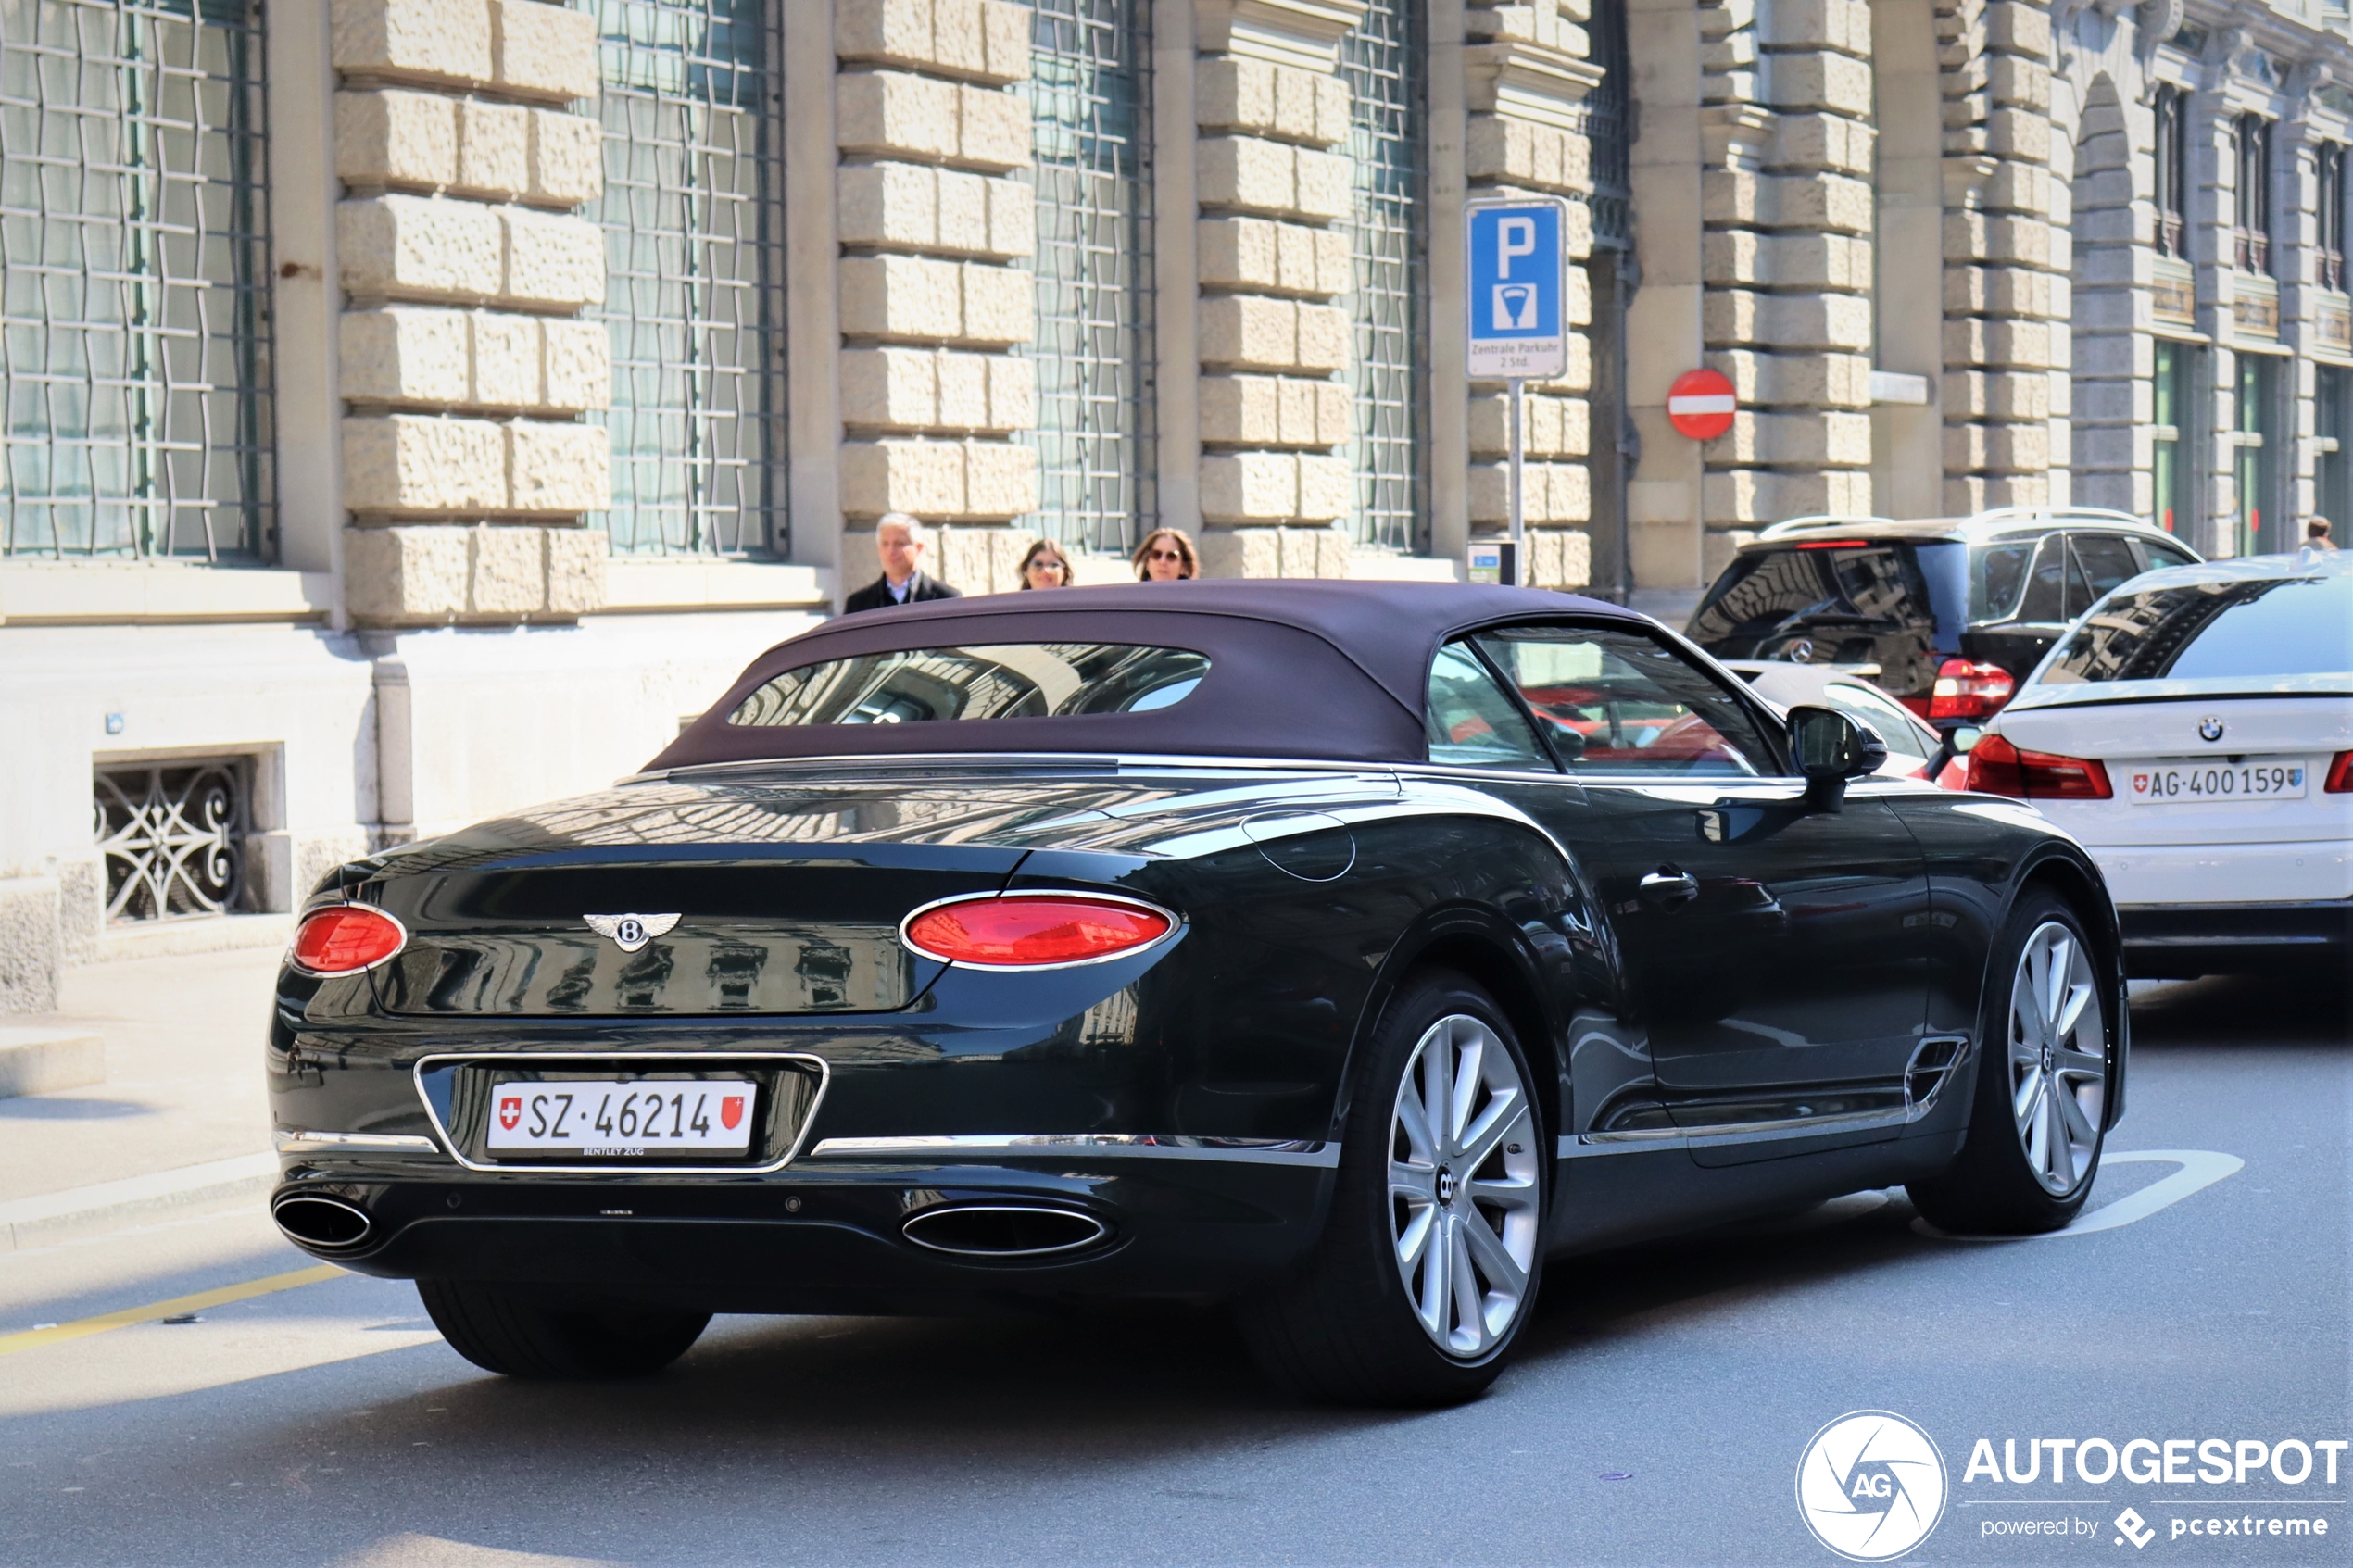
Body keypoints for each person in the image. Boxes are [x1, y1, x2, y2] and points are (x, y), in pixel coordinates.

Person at [845, 512, 962, 612]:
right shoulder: (857, 604)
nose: (891, 551)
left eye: (899, 544)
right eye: (885, 544)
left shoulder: (947, 600)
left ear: (918, 548)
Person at [1132, 528, 1198, 582]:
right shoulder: (1130, 596)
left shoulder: (1197, 597)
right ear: (1147, 562)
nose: (1162, 562)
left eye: (1171, 556)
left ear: (1183, 566)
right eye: (1156, 555)